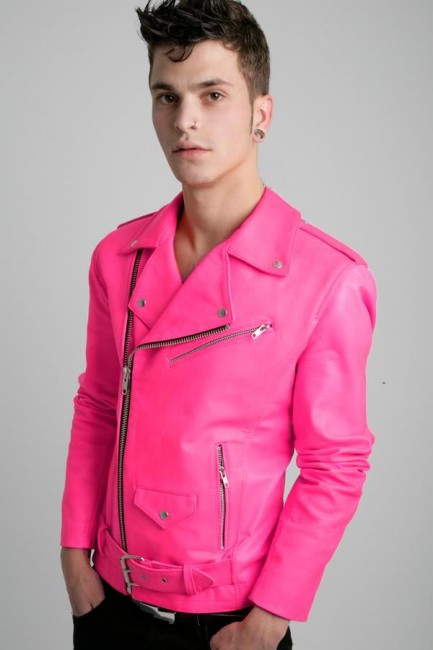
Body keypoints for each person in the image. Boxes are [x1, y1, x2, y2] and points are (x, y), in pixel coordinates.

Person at [61, 1, 377, 649]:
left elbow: (335, 463)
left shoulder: (327, 277)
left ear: (261, 114)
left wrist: (269, 618)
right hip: (109, 598)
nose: (186, 120)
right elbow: (99, 405)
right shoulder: (116, 257)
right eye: (166, 97)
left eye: (212, 95)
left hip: (230, 621)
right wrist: (73, 555)